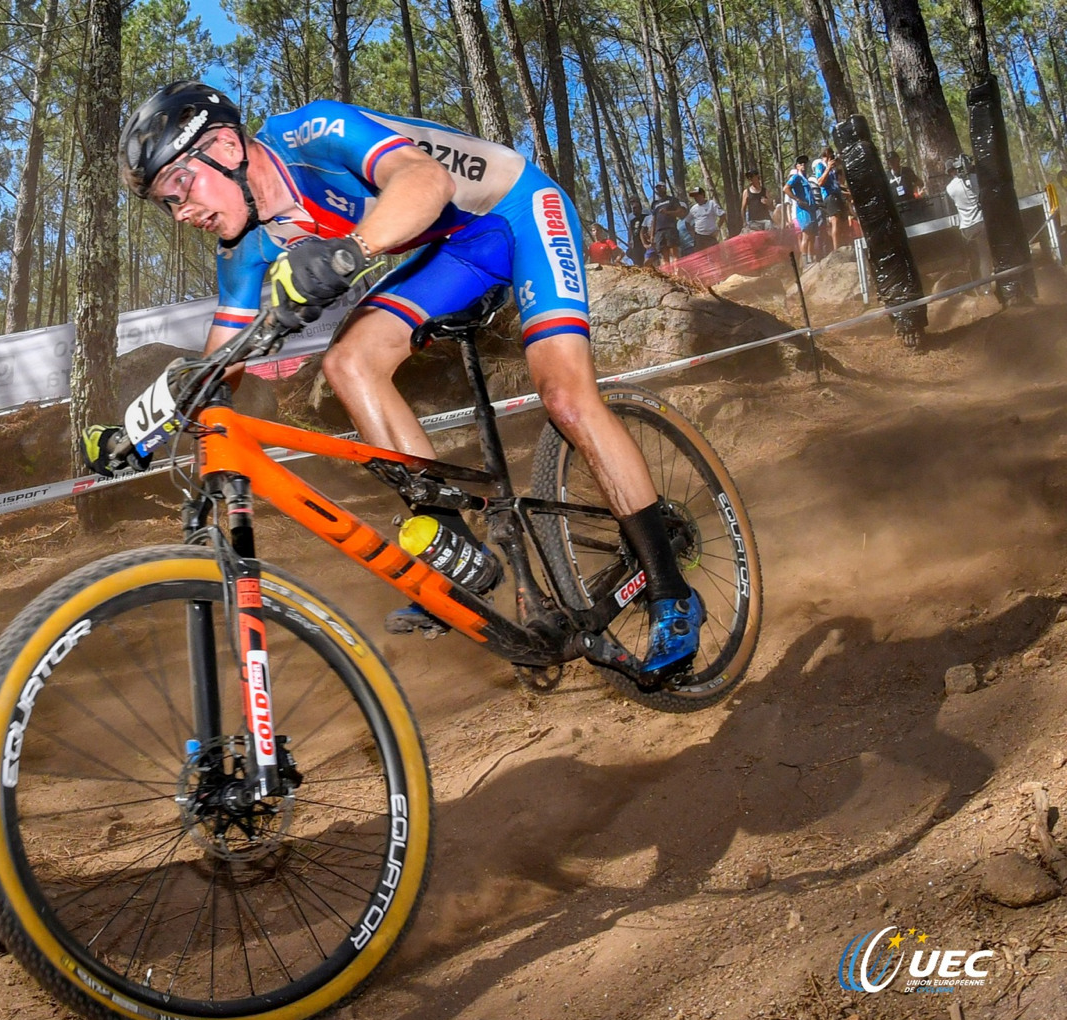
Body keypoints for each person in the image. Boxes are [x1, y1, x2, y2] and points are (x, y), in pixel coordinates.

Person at [102, 81, 703, 675]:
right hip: (454, 251)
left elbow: (425, 181)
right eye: (166, 203)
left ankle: (671, 591)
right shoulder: (243, 244)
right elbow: (222, 360)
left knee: (565, 395)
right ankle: (455, 550)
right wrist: (142, 428)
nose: (182, 212)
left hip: (519, 211)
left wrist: (349, 251)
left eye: (180, 185)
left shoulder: (314, 132)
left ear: (226, 147)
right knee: (348, 362)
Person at [946, 154, 991, 288]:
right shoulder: (974, 180)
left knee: (975, 258)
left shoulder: (949, 188)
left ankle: (976, 286)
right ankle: (987, 288)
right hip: (980, 223)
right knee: (985, 257)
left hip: (966, 229)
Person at [812, 145, 848, 254]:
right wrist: (828, 168)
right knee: (835, 221)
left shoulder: (833, 167)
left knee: (843, 222)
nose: (832, 156)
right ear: (826, 154)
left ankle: (844, 245)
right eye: (830, 154)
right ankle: (837, 250)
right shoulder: (820, 166)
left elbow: (839, 181)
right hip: (829, 196)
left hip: (838, 195)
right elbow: (820, 182)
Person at [784, 155, 820, 261]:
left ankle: (811, 258)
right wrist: (797, 199)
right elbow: (786, 188)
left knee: (812, 235)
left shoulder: (806, 178)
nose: (803, 165)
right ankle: (805, 261)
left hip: (811, 209)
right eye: (800, 163)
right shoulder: (796, 177)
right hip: (803, 211)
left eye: (805, 163)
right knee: (806, 235)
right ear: (797, 166)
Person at [649, 182, 686, 265]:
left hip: (670, 228)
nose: (659, 189)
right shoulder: (655, 204)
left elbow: (679, 211)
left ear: (665, 188)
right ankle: (668, 271)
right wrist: (652, 235)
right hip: (659, 232)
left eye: (661, 187)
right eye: (657, 188)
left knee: (674, 253)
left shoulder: (672, 200)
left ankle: (677, 271)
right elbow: (654, 219)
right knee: (664, 255)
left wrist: (667, 212)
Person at [686, 187, 724, 251]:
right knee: (700, 255)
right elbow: (687, 222)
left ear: (702, 194)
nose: (696, 198)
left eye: (697, 195)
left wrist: (717, 229)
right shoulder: (693, 208)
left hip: (711, 235)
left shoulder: (711, 204)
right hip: (699, 237)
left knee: (715, 254)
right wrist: (692, 234)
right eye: (694, 196)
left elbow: (722, 215)